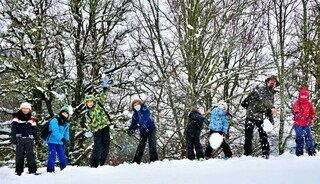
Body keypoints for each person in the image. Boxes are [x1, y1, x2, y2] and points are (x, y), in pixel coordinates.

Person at [243, 75, 279, 159]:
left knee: (263, 135)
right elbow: (264, 99)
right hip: (251, 115)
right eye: (271, 81)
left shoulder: (272, 94)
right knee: (248, 136)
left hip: (261, 117)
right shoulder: (261, 89)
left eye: (274, 82)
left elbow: (268, 110)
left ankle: (266, 152)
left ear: (275, 85)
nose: (272, 83)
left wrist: (271, 120)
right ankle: (247, 154)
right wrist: (272, 107)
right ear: (267, 82)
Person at [85, 76, 112, 168]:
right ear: (86, 104)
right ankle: (94, 164)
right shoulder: (88, 113)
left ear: (93, 101)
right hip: (96, 130)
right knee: (97, 146)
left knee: (106, 144)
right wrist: (89, 131)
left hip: (105, 127)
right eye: (88, 102)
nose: (90, 103)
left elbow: (104, 95)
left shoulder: (99, 104)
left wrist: (104, 86)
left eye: (91, 102)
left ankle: (102, 162)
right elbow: (89, 124)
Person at [11, 102, 39, 176]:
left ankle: (32, 170)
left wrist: (36, 139)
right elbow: (13, 129)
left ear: (29, 110)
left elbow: (34, 130)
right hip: (19, 139)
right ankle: (19, 171)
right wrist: (14, 138)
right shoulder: (16, 118)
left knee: (31, 155)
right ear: (21, 109)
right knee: (19, 155)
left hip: (29, 139)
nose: (25, 110)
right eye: (23, 108)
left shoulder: (32, 119)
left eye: (27, 108)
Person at [127, 99, 158, 164]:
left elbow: (146, 117)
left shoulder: (145, 109)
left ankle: (154, 160)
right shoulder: (135, 115)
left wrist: (139, 123)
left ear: (140, 104)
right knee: (141, 145)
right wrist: (131, 129)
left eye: (137, 104)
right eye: (135, 105)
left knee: (152, 143)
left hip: (151, 128)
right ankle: (136, 161)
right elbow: (133, 124)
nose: (136, 106)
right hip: (143, 131)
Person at [292, 88, 317, 156]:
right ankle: (299, 153)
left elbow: (313, 113)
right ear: (299, 96)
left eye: (305, 96)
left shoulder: (309, 104)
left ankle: (312, 152)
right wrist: (296, 113)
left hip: (306, 124)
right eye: (302, 96)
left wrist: (310, 118)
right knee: (299, 138)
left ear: (307, 97)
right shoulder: (297, 103)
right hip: (298, 124)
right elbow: (295, 108)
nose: (303, 97)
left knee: (309, 138)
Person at [46, 106, 70, 172]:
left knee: (62, 155)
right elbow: (55, 131)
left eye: (66, 113)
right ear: (61, 113)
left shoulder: (67, 123)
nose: (65, 114)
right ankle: (50, 170)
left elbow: (66, 133)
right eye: (63, 113)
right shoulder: (55, 120)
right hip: (52, 140)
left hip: (60, 142)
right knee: (52, 155)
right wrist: (63, 139)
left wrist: (67, 141)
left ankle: (64, 169)